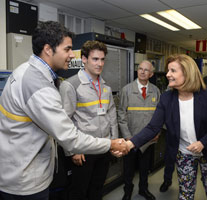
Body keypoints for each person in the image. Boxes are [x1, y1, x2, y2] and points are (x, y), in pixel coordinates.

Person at [0, 21, 127, 200]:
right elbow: (69, 136)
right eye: (67, 49)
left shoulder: (24, 70)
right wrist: (111, 144)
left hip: (21, 169)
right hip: (25, 179)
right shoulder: (39, 86)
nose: (71, 55)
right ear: (48, 49)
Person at [126, 54, 207, 200]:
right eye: (168, 71)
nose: (168, 75)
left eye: (173, 71)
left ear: (186, 72)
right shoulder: (166, 98)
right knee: (185, 194)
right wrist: (129, 144)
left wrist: (203, 143)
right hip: (184, 153)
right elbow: (153, 127)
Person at [59, 40, 118, 200]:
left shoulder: (105, 87)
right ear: (84, 59)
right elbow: (65, 121)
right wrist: (73, 150)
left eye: (102, 59)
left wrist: (114, 141)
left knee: (97, 189)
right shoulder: (71, 85)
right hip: (84, 150)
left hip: (104, 147)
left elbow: (111, 114)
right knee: (79, 192)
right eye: (95, 59)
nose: (100, 64)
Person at [118, 60, 160, 200]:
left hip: (148, 139)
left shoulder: (155, 91)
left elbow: (159, 116)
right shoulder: (127, 90)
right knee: (128, 168)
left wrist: (156, 133)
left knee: (144, 167)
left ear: (151, 74)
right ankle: (128, 191)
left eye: (146, 70)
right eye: (140, 69)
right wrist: (127, 137)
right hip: (130, 138)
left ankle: (143, 189)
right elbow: (121, 114)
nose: (142, 71)